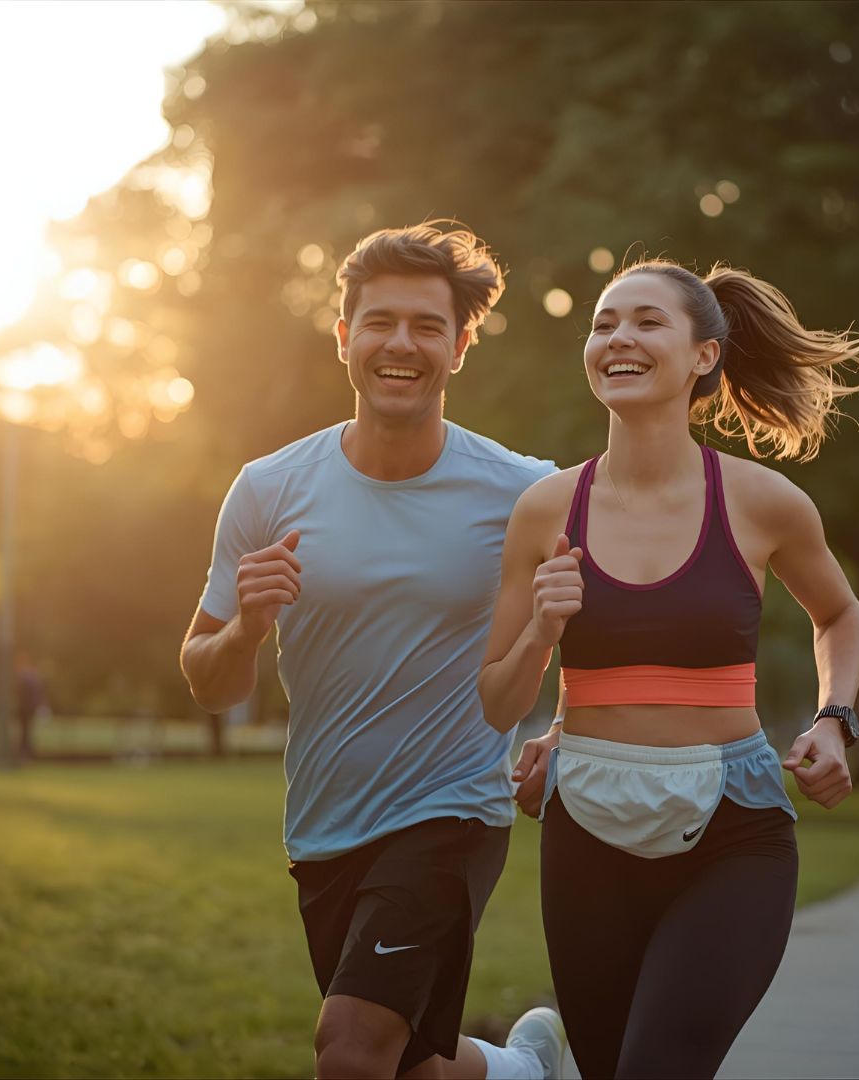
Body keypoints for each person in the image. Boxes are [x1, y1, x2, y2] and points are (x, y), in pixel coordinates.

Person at [181, 222, 568, 1080]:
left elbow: (596, 614)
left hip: (453, 809)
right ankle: (524, 1072)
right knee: (404, 1065)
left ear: (462, 346)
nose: (402, 344)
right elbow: (207, 680)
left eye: (428, 325)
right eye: (380, 322)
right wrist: (246, 626)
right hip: (323, 827)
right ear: (344, 336)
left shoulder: (524, 491)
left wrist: (565, 726)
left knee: (350, 1050)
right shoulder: (270, 488)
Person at [481, 258, 859, 1078]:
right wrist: (543, 632)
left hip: (735, 830)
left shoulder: (763, 501)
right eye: (603, 323)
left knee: (657, 1065)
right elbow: (496, 701)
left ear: (705, 355)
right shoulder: (547, 510)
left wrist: (834, 721)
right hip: (585, 825)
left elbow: (839, 613)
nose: (618, 337)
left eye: (646, 321)